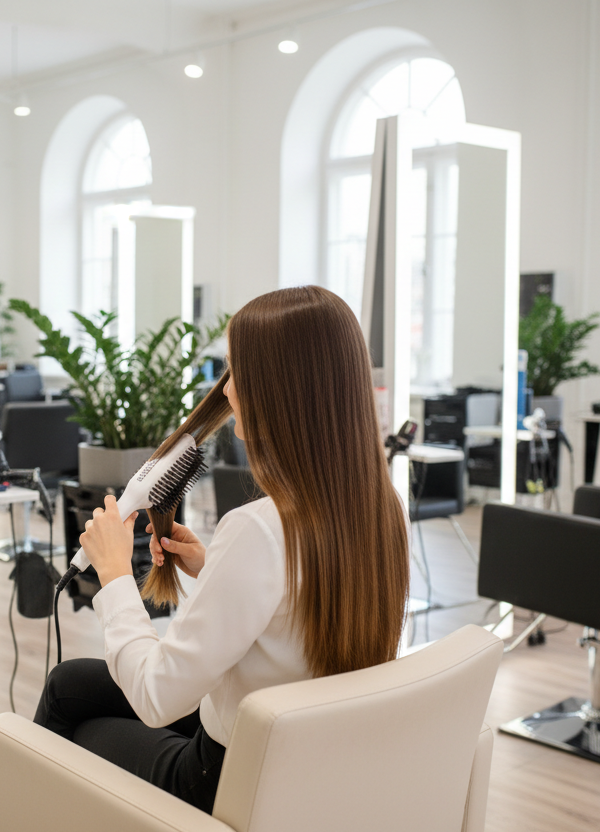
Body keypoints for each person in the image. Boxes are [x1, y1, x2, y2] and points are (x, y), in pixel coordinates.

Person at [34, 285, 410, 812]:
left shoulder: (258, 528)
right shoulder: (381, 505)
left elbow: (157, 698)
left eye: (237, 373)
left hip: (229, 778)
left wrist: (116, 576)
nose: (228, 392)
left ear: (279, 391)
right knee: (70, 682)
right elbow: (300, 609)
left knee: (77, 721)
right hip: (309, 754)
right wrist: (212, 569)